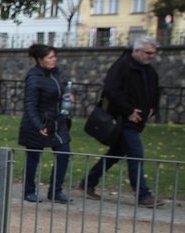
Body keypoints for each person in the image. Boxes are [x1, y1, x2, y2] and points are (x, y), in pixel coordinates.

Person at [82, 38, 161, 207]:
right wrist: (129, 111)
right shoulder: (122, 66)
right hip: (122, 120)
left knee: (114, 154)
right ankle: (143, 195)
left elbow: (154, 90)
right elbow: (111, 90)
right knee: (136, 154)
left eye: (153, 53)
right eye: (148, 53)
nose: (151, 56)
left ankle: (88, 182)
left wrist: (153, 107)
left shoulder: (149, 70)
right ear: (136, 51)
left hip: (136, 120)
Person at [19, 44, 72, 204]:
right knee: (33, 158)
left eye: (55, 57)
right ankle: (29, 191)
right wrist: (38, 125)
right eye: (50, 57)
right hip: (38, 123)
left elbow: (61, 91)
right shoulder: (34, 77)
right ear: (40, 59)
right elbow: (30, 104)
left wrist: (66, 97)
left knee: (64, 153)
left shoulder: (57, 74)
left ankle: (56, 191)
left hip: (57, 122)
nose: (54, 60)